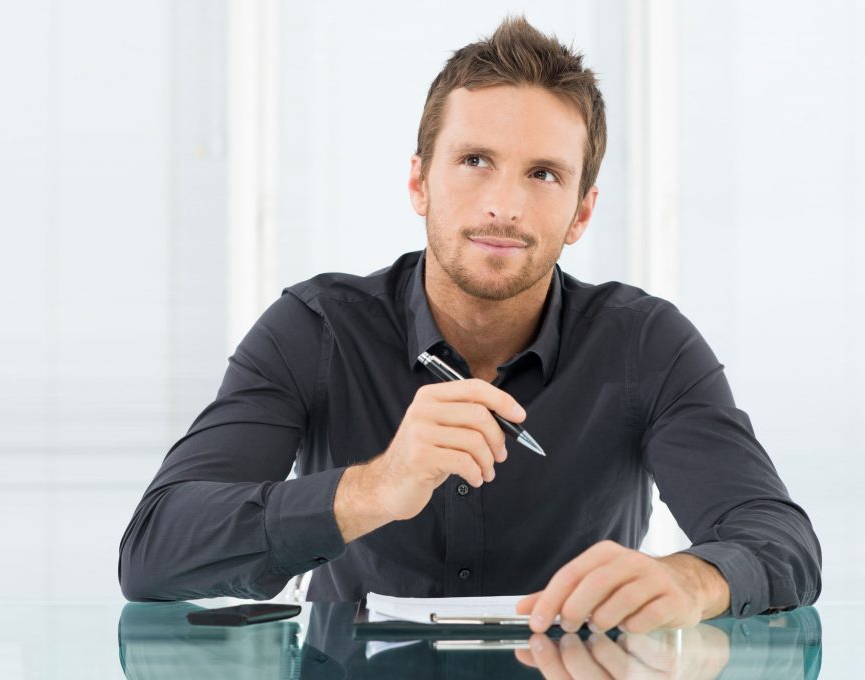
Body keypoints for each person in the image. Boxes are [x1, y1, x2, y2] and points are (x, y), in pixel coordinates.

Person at [118, 16, 821, 634]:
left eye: (543, 174)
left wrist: (690, 581)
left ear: (581, 213)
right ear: (420, 181)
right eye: (475, 161)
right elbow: (154, 552)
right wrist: (373, 488)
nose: (504, 204)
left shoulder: (646, 344)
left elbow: (780, 540)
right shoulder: (315, 329)